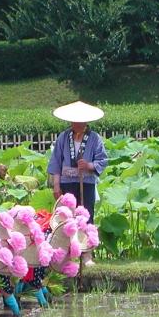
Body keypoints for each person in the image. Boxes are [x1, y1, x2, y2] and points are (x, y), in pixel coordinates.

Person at [47, 101, 108, 266]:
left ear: (86, 122)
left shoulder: (94, 138)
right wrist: (56, 185)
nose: (77, 124)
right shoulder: (63, 137)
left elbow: (102, 160)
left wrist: (89, 165)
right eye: (74, 121)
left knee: (86, 217)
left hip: (85, 182)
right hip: (67, 182)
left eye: (80, 121)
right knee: (67, 218)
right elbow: (55, 162)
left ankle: (87, 254)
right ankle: (69, 254)